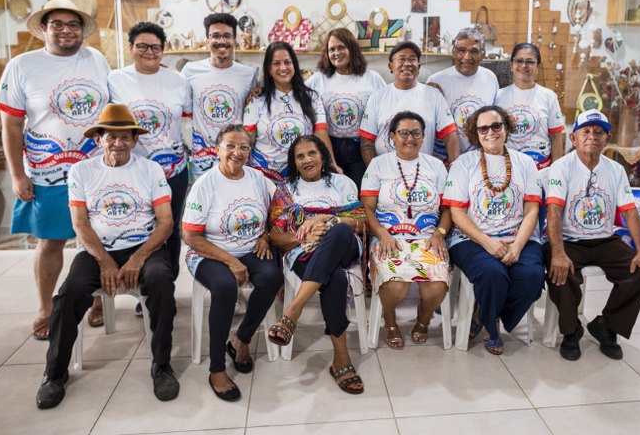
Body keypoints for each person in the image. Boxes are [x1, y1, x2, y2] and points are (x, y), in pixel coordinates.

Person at [35, 104, 178, 409]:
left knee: (162, 282)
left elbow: (166, 222)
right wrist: (105, 260)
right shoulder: (81, 170)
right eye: (111, 136)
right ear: (98, 139)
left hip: (144, 246)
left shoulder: (150, 169)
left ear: (134, 140)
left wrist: (138, 258)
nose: (118, 143)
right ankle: (55, 373)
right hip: (98, 249)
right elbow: (80, 223)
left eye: (125, 136)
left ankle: (162, 366)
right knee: (69, 293)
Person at [0, 0, 110, 341]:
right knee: (51, 242)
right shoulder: (22, 65)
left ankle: (96, 300)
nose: (65, 30)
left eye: (73, 24)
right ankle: (46, 306)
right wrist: (17, 174)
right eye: (57, 24)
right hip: (48, 172)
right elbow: (11, 126)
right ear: (44, 28)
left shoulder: (98, 60)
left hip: (96, 170)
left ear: (81, 30)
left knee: (98, 238)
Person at [545, 110, 640, 361]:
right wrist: (558, 253)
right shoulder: (561, 167)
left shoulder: (615, 170)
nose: (592, 137)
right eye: (586, 131)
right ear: (573, 138)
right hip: (570, 240)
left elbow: (629, 211)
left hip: (604, 239)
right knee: (562, 274)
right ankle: (571, 331)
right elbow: (553, 211)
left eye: (599, 132)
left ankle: (607, 326)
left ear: (607, 139)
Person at [181, 124, 282, 401]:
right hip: (208, 251)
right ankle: (216, 369)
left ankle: (242, 338)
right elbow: (190, 235)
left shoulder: (258, 178)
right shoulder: (205, 184)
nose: (237, 152)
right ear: (218, 149)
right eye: (230, 146)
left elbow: (280, 210)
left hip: (249, 247)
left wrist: (265, 234)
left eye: (244, 147)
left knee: (272, 277)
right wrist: (230, 261)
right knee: (225, 287)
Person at [102, 21, 192, 324]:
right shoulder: (116, 79)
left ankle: (163, 289)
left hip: (174, 170)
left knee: (172, 231)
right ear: (131, 48)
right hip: (133, 173)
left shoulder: (178, 80)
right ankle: (140, 289)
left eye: (155, 47)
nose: (149, 52)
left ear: (163, 50)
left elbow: (190, 122)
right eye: (142, 46)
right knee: (140, 227)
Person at [267, 135, 367, 394]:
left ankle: (292, 311)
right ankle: (341, 358)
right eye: (300, 156)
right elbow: (276, 237)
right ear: (294, 163)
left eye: (312, 153)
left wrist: (326, 218)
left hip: (346, 247)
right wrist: (302, 236)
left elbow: (359, 221)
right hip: (303, 253)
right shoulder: (286, 190)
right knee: (333, 278)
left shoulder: (342, 183)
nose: (307, 159)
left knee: (338, 231)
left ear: (323, 156)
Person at [443, 106, 544, 355]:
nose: (491, 132)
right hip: (471, 239)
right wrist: (487, 242)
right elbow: (457, 214)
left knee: (532, 276)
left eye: (496, 126)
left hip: (518, 235)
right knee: (492, 274)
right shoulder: (463, 164)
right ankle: (491, 326)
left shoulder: (526, 163)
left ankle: (489, 312)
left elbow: (532, 210)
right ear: (475, 133)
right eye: (483, 128)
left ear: (506, 128)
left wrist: (519, 245)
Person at [361, 111, 451, 349]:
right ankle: (389, 321)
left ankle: (423, 319)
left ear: (423, 137)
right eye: (403, 133)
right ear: (392, 136)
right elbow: (367, 209)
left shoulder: (437, 166)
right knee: (396, 286)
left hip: (427, 238)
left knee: (436, 286)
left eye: (416, 133)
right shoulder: (378, 165)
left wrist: (439, 233)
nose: (409, 138)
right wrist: (381, 234)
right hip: (389, 237)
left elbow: (448, 208)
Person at [244, 41, 337, 182]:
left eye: (288, 62)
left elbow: (320, 133)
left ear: (294, 65)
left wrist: (332, 164)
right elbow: (248, 139)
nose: (283, 68)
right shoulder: (257, 99)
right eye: (276, 63)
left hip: (301, 176)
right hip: (264, 177)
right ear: (268, 69)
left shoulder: (312, 97)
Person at [306, 28, 386, 188]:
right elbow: (292, 94)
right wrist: (260, 91)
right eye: (332, 49)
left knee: (359, 194)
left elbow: (390, 101)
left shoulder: (371, 78)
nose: (337, 53)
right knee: (332, 194)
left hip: (361, 149)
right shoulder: (318, 79)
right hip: (328, 148)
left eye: (341, 47)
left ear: (352, 48)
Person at [359, 42, 460, 166]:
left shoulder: (434, 95)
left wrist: (455, 167)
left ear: (419, 66)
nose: (407, 64)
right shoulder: (377, 97)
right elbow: (366, 142)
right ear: (391, 66)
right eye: (401, 59)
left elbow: (450, 135)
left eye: (412, 59)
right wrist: (374, 170)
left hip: (423, 172)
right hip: (386, 173)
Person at [181, 13, 256, 178]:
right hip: (203, 158)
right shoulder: (189, 71)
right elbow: (184, 113)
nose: (221, 41)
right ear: (207, 40)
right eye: (215, 35)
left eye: (227, 36)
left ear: (235, 40)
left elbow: (252, 114)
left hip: (236, 158)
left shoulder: (248, 74)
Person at [426, 28, 499, 160]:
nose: (467, 56)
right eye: (461, 50)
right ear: (453, 52)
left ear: (483, 53)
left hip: (479, 159)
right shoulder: (436, 80)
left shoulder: (490, 79)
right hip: (443, 159)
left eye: (474, 51)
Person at [495, 43, 565, 169]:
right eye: (519, 60)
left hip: (541, 167)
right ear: (511, 65)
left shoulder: (549, 96)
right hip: (508, 168)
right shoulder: (498, 96)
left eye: (530, 62)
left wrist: (556, 172)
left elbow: (556, 137)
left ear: (537, 66)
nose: (524, 65)